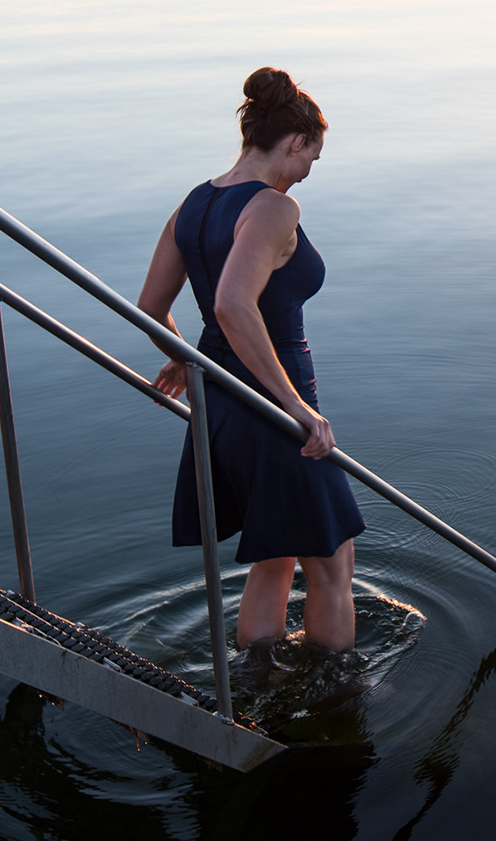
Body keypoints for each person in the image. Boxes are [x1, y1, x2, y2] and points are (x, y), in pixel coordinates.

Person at [137, 67, 364, 653]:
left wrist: (190, 359)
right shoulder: (271, 208)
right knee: (333, 564)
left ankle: (260, 679)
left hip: (220, 400)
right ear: (295, 141)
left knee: (275, 555)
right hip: (274, 404)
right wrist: (296, 409)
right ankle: (340, 706)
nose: (311, 171)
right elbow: (233, 304)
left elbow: (147, 308)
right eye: (313, 156)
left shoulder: (193, 203)